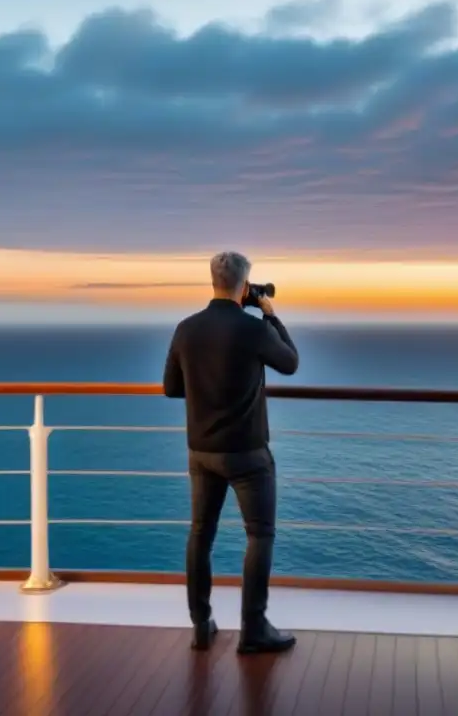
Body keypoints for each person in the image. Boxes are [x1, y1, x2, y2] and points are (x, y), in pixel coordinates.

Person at [163, 251, 299, 655]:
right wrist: (270, 315)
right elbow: (290, 363)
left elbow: (172, 387)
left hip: (202, 452)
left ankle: (201, 625)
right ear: (245, 285)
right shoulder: (252, 329)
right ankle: (253, 629)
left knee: (200, 534)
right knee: (260, 535)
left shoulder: (186, 329)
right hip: (247, 454)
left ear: (212, 281)